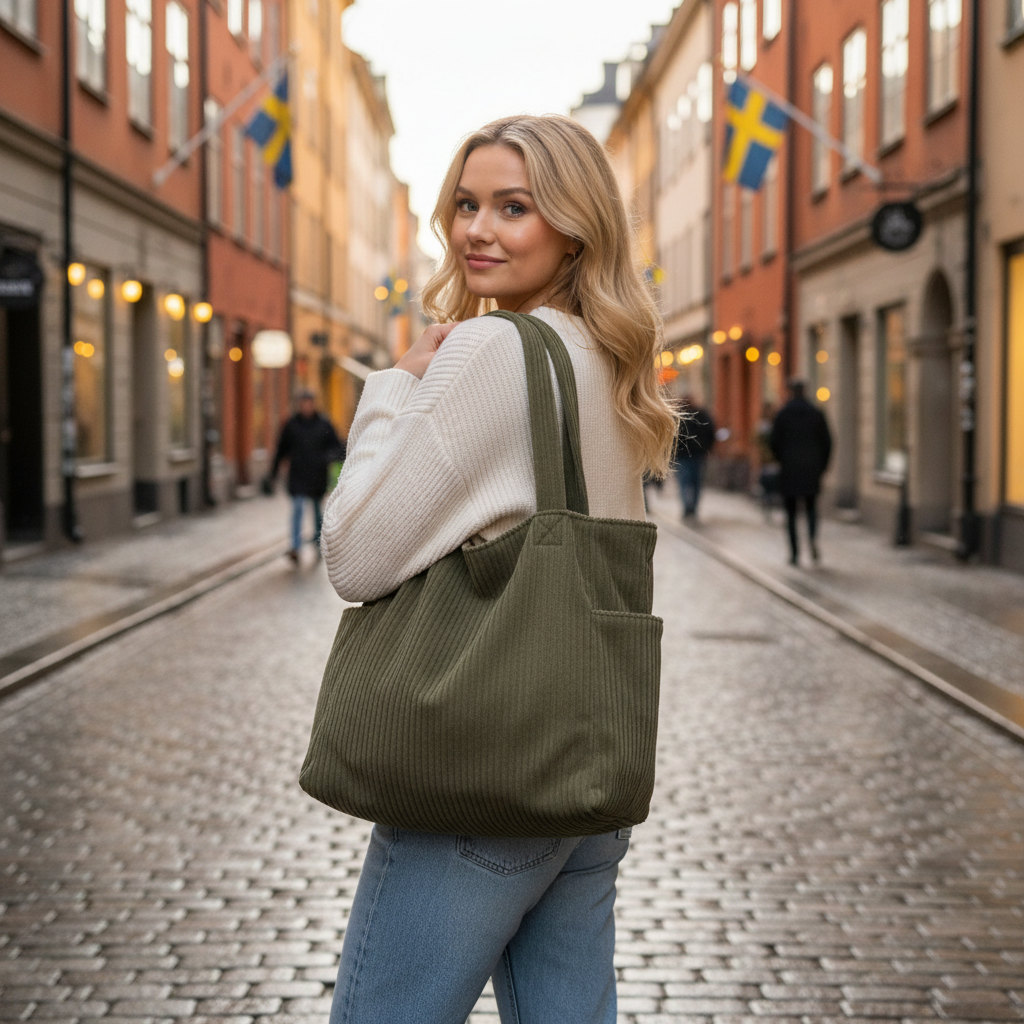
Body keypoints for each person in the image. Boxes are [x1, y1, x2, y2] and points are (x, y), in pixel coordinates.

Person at [318, 115, 676, 1023]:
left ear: (575, 225)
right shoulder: (610, 363)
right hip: (585, 779)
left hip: (482, 785)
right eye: (467, 204)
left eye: (514, 207)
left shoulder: (488, 351)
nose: (478, 229)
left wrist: (392, 389)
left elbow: (355, 557)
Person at [269, 389, 345, 563]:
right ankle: (295, 547)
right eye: (303, 403)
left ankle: (318, 545)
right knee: (297, 508)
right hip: (297, 475)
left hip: (317, 476)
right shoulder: (291, 424)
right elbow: (281, 449)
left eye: (308, 403)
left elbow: (337, 446)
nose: (306, 406)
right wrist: (272, 474)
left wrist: (327, 458)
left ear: (313, 404)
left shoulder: (324, 424)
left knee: (318, 513)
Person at [769, 379, 832, 565]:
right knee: (811, 508)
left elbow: (774, 442)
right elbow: (827, 442)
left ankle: (794, 552)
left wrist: (782, 460)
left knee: (790, 513)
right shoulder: (816, 413)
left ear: (791, 392)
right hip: (812, 469)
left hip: (789, 469)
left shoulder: (783, 414)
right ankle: (812, 540)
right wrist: (822, 466)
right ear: (804, 391)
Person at [672, 395, 715, 518]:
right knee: (694, 482)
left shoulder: (679, 416)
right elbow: (710, 433)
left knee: (686, 482)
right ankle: (691, 507)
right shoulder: (701, 415)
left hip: (688, 455)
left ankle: (689, 507)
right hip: (692, 455)